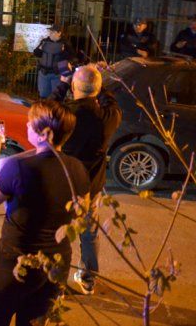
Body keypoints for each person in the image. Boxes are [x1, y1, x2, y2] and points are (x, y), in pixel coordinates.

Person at [0, 100, 90, 326]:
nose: (27, 125)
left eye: (31, 123)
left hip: (13, 264)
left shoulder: (19, 169)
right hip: (55, 264)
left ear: (43, 134)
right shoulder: (78, 168)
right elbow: (81, 214)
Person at [48, 65, 122, 295]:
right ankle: (88, 279)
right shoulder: (108, 117)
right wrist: (101, 85)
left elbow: (46, 107)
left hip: (64, 186)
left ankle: (56, 283)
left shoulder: (66, 114)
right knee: (89, 234)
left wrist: (61, 83)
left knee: (60, 235)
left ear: (73, 87)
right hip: (92, 187)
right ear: (98, 89)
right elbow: (112, 103)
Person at [33, 24, 77, 99]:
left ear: (59, 33)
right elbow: (36, 54)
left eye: (53, 32)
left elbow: (71, 56)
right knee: (43, 96)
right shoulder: (44, 42)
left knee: (56, 97)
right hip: (44, 73)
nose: (50, 33)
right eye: (50, 31)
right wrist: (39, 49)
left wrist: (63, 52)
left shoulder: (65, 43)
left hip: (57, 74)